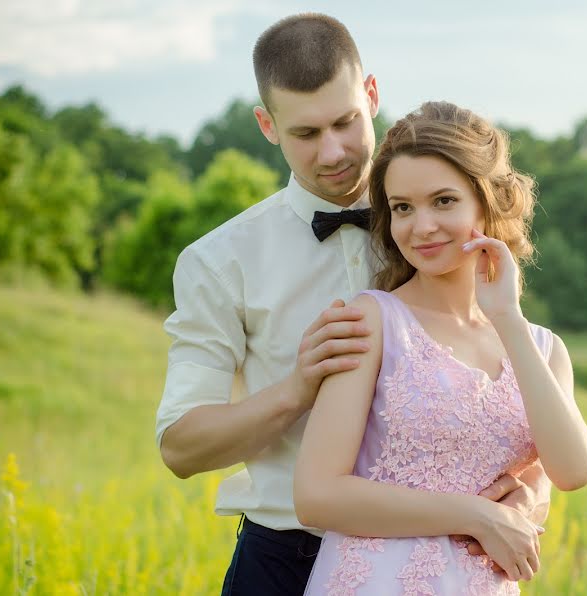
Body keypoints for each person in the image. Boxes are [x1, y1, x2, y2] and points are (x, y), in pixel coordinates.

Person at [156, 14, 553, 596]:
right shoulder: (218, 262)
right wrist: (294, 390)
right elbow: (180, 446)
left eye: (345, 122)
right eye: (306, 134)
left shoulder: (445, 231)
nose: (334, 151)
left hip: (446, 561)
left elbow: (508, 397)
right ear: (268, 126)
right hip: (284, 559)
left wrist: (529, 493)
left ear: (371, 94)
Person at [294, 101, 587, 594]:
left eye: (444, 201)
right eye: (402, 208)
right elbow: (316, 495)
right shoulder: (373, 320)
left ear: (487, 202)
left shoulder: (542, 347)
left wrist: (508, 319)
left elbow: (573, 470)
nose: (421, 227)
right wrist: (476, 516)